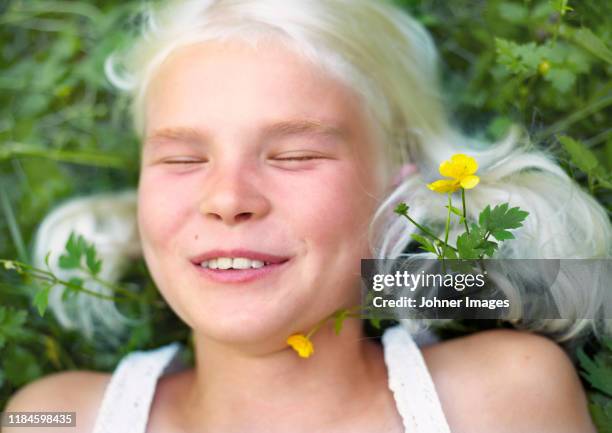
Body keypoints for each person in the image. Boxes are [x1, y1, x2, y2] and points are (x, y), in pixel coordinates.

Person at [5, 0, 610, 432]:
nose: (226, 197)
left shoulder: (499, 398)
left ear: (396, 175)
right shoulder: (51, 419)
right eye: (183, 158)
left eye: (295, 155)